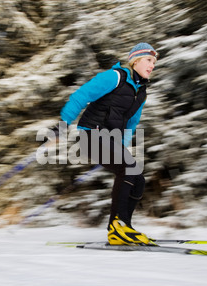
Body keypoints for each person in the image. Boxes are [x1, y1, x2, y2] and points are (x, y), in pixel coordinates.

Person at [56, 43, 158, 245]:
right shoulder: (115, 77)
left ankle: (123, 228)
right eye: (149, 60)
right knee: (128, 170)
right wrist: (62, 125)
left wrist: (123, 147)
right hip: (91, 136)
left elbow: (131, 122)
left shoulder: (141, 92)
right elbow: (81, 96)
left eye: (154, 62)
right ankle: (117, 226)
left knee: (138, 179)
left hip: (111, 141)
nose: (152, 65)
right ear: (136, 60)